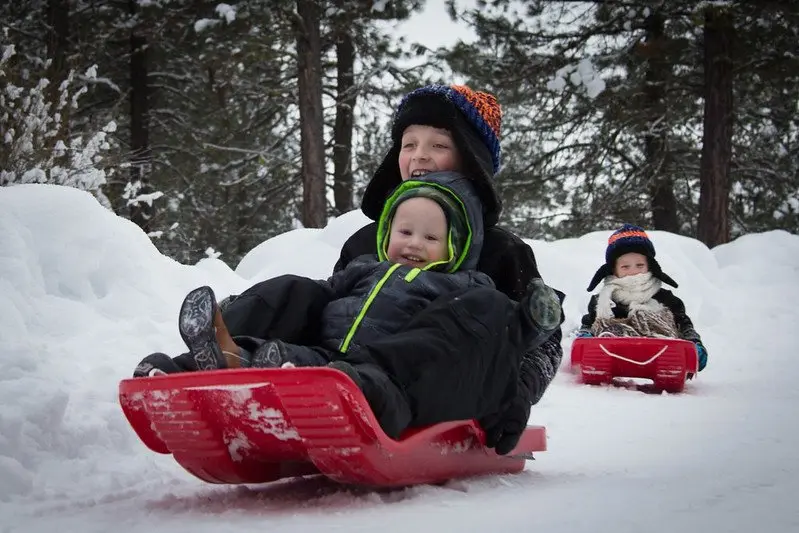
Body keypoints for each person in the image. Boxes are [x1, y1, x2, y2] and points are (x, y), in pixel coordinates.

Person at [193, 84, 565, 455]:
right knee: (301, 291)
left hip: (429, 387)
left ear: (471, 160)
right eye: (409, 144)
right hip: (339, 366)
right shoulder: (367, 241)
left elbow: (542, 339)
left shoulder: (502, 250)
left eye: (439, 145)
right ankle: (212, 360)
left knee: (488, 309)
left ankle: (365, 388)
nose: (420, 156)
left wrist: (516, 392)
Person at [135, 172, 563, 441]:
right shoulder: (364, 267)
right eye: (405, 232)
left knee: (476, 312)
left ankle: (333, 388)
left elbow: (495, 333)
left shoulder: (466, 283)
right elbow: (320, 293)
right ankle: (206, 364)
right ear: (387, 233)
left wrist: (533, 321)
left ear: (454, 248)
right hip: (329, 360)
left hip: (394, 378)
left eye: (430, 239)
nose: (414, 243)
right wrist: (260, 304)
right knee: (295, 294)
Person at [576, 224, 708, 371]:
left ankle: (669, 366)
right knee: (605, 326)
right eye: (625, 267)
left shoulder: (666, 299)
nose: (633, 272)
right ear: (614, 270)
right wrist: (585, 337)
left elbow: (683, 325)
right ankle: (602, 358)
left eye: (639, 265)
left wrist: (693, 343)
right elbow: (589, 323)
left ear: (650, 266)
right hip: (612, 357)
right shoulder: (603, 301)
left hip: (662, 357)